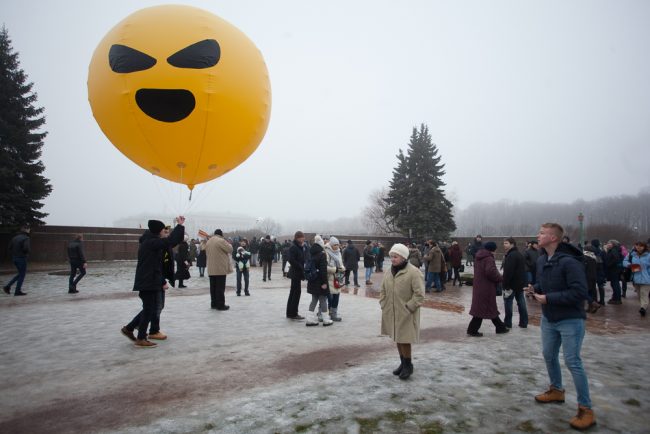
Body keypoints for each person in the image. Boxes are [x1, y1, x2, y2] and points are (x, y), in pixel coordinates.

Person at [528, 223, 595, 430]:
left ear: (554, 238)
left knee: (572, 361)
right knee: (548, 355)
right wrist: (534, 288)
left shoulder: (569, 262)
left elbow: (580, 292)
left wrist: (548, 298)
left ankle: (586, 409)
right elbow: (544, 284)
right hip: (549, 318)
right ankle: (556, 390)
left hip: (570, 319)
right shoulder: (541, 260)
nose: (538, 236)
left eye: (542, 233)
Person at [121, 217, 184, 348]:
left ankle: (129, 328)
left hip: (149, 280)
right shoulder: (151, 243)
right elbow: (171, 241)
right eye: (163, 230)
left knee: (150, 308)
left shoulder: (149, 241)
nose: (164, 232)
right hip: (148, 281)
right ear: (158, 231)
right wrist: (179, 225)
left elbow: (170, 243)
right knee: (150, 309)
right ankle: (141, 338)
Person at [379, 243, 424, 380]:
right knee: (397, 338)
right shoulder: (389, 271)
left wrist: (409, 307)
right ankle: (403, 363)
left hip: (406, 313)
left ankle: (408, 365)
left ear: (404, 257)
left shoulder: (414, 272)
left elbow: (420, 294)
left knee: (404, 340)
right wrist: (383, 303)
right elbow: (383, 290)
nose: (392, 259)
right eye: (391, 256)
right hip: (391, 311)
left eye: (396, 256)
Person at [467, 241, 509, 336]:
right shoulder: (489, 258)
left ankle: (500, 327)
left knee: (488, 309)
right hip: (486, 287)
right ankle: (472, 330)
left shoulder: (478, 257)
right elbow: (491, 272)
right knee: (482, 310)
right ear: (492, 250)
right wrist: (500, 278)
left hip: (480, 286)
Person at [306, 236, 333, 326]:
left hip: (312, 279)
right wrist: (324, 282)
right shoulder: (322, 254)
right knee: (323, 300)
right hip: (320, 281)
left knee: (314, 299)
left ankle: (309, 319)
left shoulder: (310, 252)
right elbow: (323, 270)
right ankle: (326, 319)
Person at [501, 237, 528, 328]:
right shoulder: (519, 254)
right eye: (504, 243)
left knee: (508, 303)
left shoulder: (511, 255)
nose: (504, 245)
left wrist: (505, 285)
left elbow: (508, 271)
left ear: (512, 244)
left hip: (511, 284)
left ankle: (508, 323)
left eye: (506, 243)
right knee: (521, 302)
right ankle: (524, 322)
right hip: (519, 284)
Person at [206, 229, 233, 311]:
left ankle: (213, 304)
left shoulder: (209, 241)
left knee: (213, 288)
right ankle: (220, 305)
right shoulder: (221, 240)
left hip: (211, 268)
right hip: (220, 268)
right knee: (220, 288)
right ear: (221, 234)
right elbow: (230, 249)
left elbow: (202, 248)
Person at [623, 241, 650, 317]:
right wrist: (629, 265)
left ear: (644, 247)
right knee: (639, 295)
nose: (638, 247)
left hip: (646, 279)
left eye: (641, 246)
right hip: (635, 278)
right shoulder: (631, 254)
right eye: (637, 246)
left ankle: (643, 308)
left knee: (644, 294)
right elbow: (624, 261)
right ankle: (643, 306)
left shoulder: (648, 255)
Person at [4, 225, 31, 296]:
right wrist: (26, 253)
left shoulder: (15, 238)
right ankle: (17, 291)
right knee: (22, 275)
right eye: (29, 229)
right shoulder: (26, 238)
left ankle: (7, 286)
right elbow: (26, 249)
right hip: (21, 258)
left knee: (20, 274)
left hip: (14, 258)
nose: (29, 230)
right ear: (26, 230)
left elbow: (9, 247)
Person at [286, 231, 306, 320]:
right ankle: (293, 313)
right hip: (295, 273)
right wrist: (300, 266)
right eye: (301, 237)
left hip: (297, 272)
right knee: (296, 293)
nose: (303, 239)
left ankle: (291, 312)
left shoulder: (299, 246)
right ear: (297, 238)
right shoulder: (294, 247)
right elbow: (291, 260)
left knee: (294, 292)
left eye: (303, 237)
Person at [325, 236, 345, 321]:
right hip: (330, 278)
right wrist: (335, 269)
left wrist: (343, 268)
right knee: (329, 298)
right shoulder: (326, 252)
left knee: (336, 297)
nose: (337, 246)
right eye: (335, 245)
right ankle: (326, 314)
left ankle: (334, 314)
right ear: (331, 245)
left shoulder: (339, 252)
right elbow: (325, 267)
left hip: (338, 278)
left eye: (338, 244)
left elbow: (341, 264)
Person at [605, 239, 623, 305]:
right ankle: (615, 298)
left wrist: (609, 264)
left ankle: (617, 299)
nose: (607, 244)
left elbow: (616, 259)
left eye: (609, 243)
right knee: (615, 284)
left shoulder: (614, 250)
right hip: (615, 269)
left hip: (613, 270)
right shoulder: (615, 250)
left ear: (613, 244)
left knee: (615, 284)